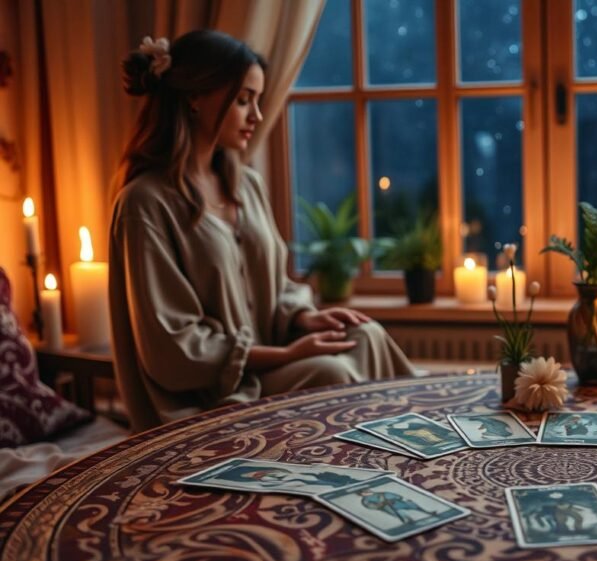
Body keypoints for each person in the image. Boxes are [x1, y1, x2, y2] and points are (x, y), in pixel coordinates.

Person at [109, 31, 416, 432]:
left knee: (366, 334)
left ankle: (418, 447)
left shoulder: (246, 186)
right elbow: (172, 350)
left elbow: (276, 284)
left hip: (267, 366)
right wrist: (285, 355)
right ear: (194, 99)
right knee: (328, 374)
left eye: (257, 99)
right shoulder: (145, 204)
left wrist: (304, 318)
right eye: (242, 100)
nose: (257, 115)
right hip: (210, 396)